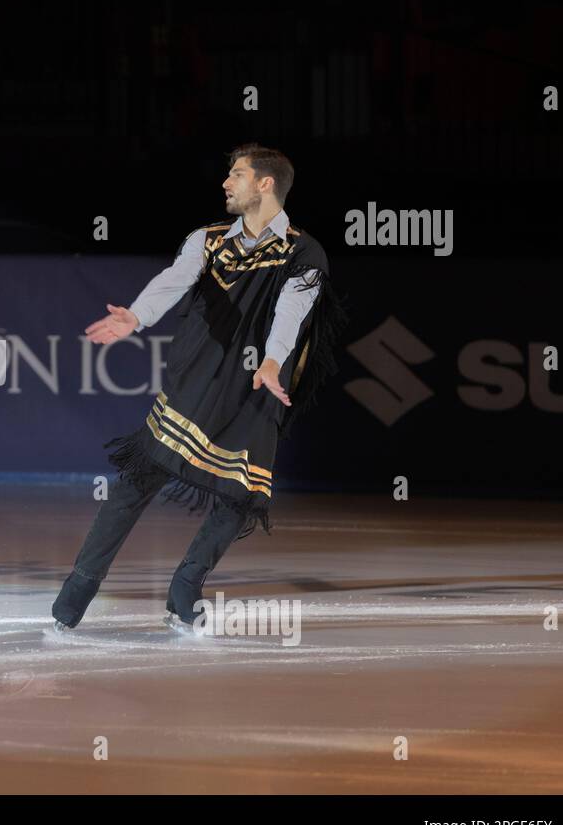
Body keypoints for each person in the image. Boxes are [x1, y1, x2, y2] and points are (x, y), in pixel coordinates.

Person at [52, 143, 348, 632]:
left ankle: (185, 587)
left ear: (265, 183)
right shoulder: (207, 239)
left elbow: (291, 311)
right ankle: (78, 589)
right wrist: (137, 316)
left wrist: (273, 361)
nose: (226, 183)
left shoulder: (303, 252)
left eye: (236, 174)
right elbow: (175, 280)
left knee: (242, 495)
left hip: (258, 384)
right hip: (199, 375)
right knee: (138, 480)